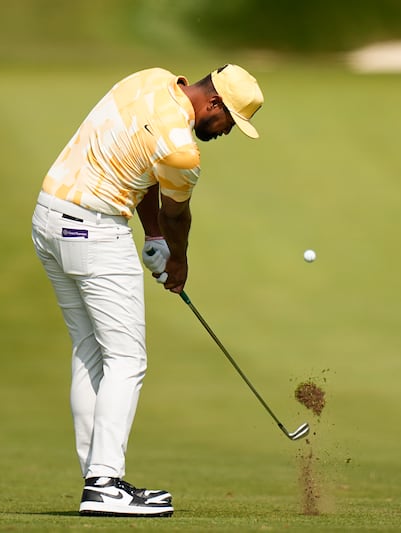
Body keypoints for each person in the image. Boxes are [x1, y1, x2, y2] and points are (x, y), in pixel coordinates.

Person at [30, 64, 263, 517]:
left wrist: (152, 237)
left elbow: (140, 170)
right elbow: (179, 214)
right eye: (229, 122)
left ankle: (98, 478)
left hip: (50, 217)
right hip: (96, 232)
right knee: (127, 359)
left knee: (90, 351)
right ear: (214, 104)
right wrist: (177, 259)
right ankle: (103, 484)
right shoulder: (183, 151)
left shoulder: (150, 80)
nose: (226, 131)